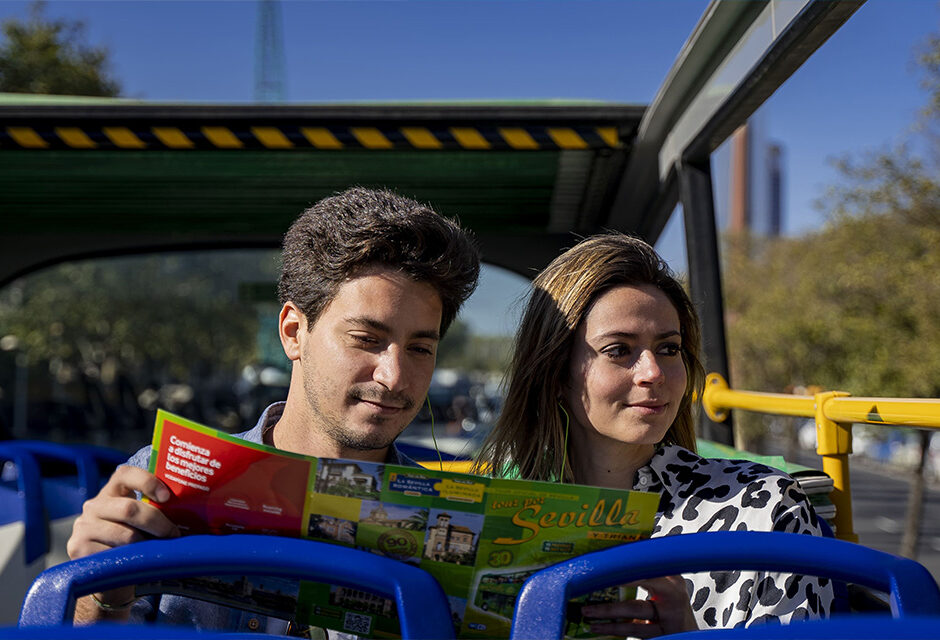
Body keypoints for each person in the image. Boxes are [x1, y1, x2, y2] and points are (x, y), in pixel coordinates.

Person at [66, 187, 480, 631]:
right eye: (366, 339)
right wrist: (99, 594)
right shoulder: (163, 483)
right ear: (293, 332)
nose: (394, 377)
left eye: (420, 348)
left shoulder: (451, 520)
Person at [474, 233, 832, 637]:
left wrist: (685, 634)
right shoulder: (499, 509)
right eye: (618, 350)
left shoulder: (764, 508)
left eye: (669, 349)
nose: (653, 373)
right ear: (555, 373)